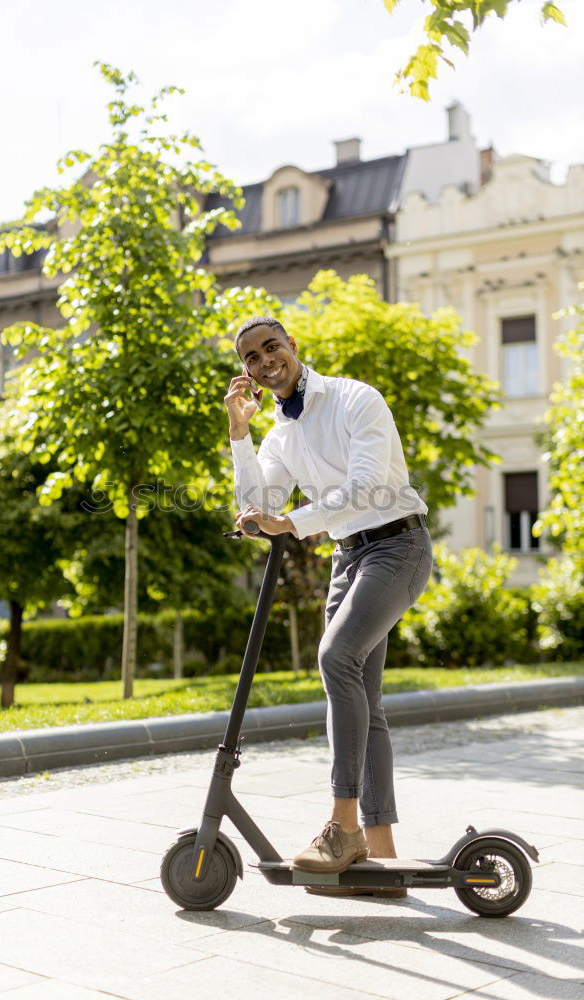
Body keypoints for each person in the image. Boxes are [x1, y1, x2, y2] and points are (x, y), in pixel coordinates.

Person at [224, 315, 433, 898]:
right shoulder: (280, 434)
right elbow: (258, 502)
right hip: (350, 557)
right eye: (252, 359)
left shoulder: (354, 398)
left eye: (272, 348)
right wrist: (240, 434)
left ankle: (342, 828)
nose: (265, 362)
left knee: (336, 657)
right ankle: (382, 856)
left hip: (398, 544)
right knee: (365, 700)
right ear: (249, 374)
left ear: (293, 348)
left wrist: (294, 521)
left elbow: (367, 488)